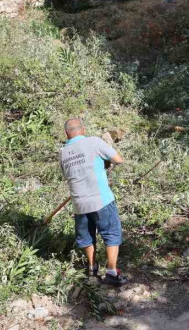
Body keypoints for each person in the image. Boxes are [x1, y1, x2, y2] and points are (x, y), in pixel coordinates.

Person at [58, 118, 127, 286]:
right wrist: (106, 162)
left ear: (66, 134)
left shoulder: (62, 152)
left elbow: (68, 175)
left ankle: (91, 269)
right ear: (83, 129)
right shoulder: (94, 142)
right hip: (101, 199)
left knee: (87, 236)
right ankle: (111, 271)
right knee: (111, 232)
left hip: (79, 204)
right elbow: (118, 159)